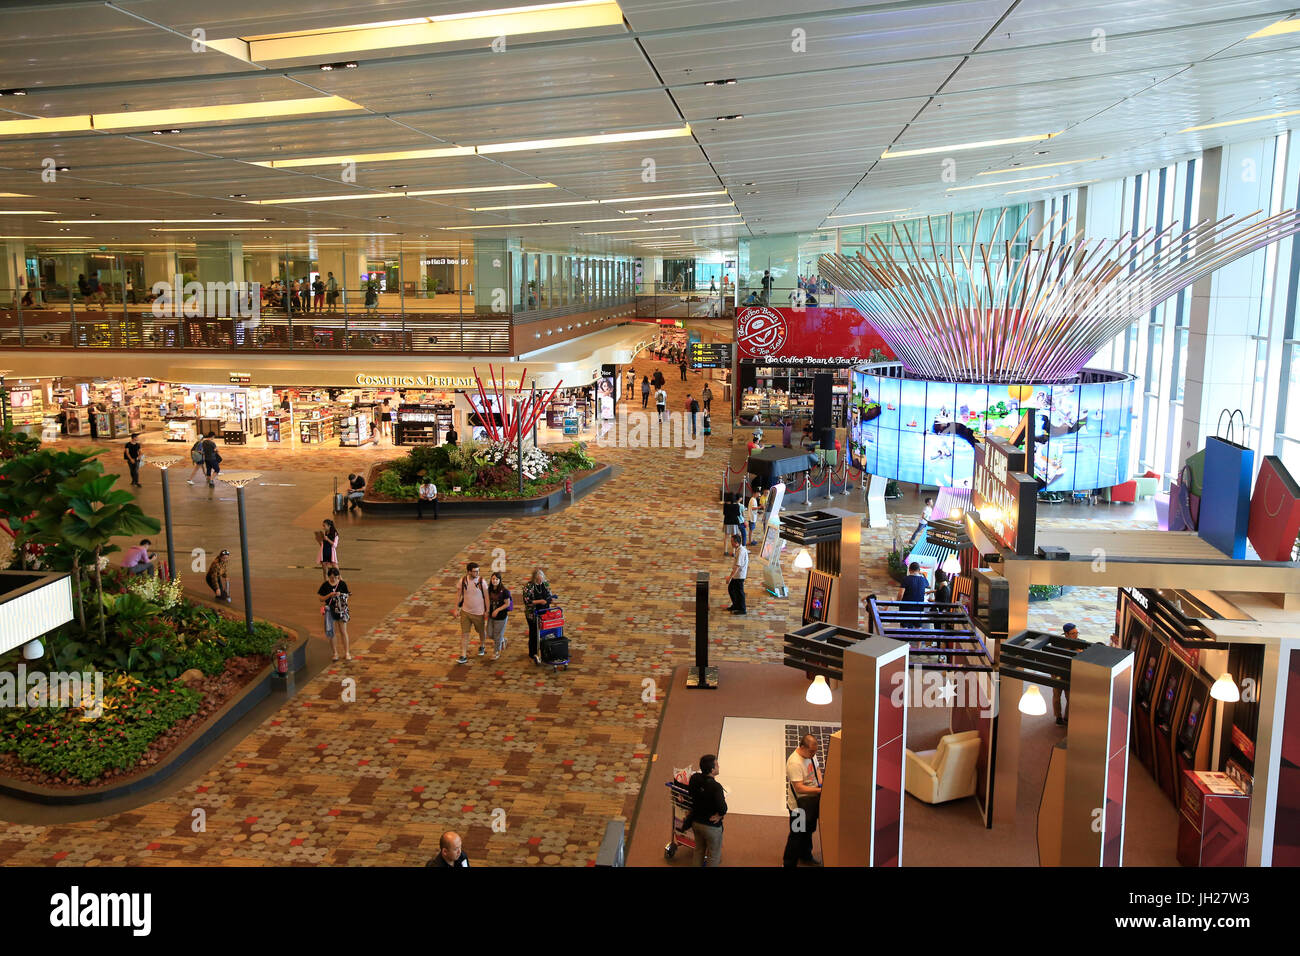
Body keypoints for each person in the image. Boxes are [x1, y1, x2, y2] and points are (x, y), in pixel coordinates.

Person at [783, 735, 822, 866]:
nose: (814, 754)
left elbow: (817, 769)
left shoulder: (811, 754)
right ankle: (788, 863)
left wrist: (821, 784)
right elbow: (799, 788)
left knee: (808, 832)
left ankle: (806, 856)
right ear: (803, 747)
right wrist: (820, 791)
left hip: (811, 803)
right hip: (798, 808)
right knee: (796, 836)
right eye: (811, 751)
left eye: (815, 752)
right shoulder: (794, 762)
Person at [687, 754, 727, 867]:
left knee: (698, 850)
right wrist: (720, 815)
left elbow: (690, 793)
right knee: (713, 856)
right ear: (712, 770)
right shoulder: (716, 787)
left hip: (695, 822)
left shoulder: (694, 778)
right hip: (711, 827)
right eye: (717, 765)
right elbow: (723, 808)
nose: (719, 766)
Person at [453, 561, 489, 665]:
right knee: (465, 634)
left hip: (479, 613)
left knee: (481, 631)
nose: (477, 573)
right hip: (465, 612)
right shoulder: (463, 581)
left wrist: (487, 610)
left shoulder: (482, 582)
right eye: (475, 571)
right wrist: (456, 609)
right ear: (469, 572)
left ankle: (482, 645)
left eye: (478, 571)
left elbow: (486, 597)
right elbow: (458, 595)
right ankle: (463, 655)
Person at [318, 567, 351, 661]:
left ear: (338, 576)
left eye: (335, 577)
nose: (333, 579)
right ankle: (335, 653)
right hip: (330, 610)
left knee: (343, 631)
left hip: (341, 609)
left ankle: (347, 652)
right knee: (331, 632)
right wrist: (329, 595)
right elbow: (321, 598)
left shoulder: (342, 584)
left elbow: (347, 595)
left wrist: (340, 594)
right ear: (328, 576)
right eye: (331, 577)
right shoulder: (325, 585)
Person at [522, 567, 553, 666]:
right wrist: (540, 601)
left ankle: (544, 650)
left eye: (541, 579)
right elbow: (527, 601)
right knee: (534, 632)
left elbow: (549, 595)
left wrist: (549, 600)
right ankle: (533, 653)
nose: (540, 581)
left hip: (544, 612)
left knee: (544, 631)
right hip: (532, 613)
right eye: (538, 580)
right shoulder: (529, 586)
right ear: (534, 578)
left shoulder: (545, 584)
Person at [486, 572, 513, 661]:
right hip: (491, 616)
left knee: (497, 635)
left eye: (497, 579)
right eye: (493, 579)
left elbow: (507, 604)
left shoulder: (504, 591)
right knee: (489, 633)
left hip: (501, 616)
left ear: (500, 580)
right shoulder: (489, 589)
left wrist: (497, 610)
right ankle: (502, 640)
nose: (494, 581)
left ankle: (496, 652)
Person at [1056, 624, 1077, 725]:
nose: (1076, 635)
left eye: (1076, 633)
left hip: (1070, 674)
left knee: (1070, 697)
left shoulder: (1079, 644)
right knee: (1056, 696)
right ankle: (1058, 716)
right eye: (1073, 633)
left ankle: (1067, 717)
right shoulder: (1058, 644)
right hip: (1058, 673)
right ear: (1066, 634)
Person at [726, 533, 748, 614]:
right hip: (737, 575)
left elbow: (737, 566)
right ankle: (736, 605)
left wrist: (730, 577)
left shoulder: (741, 552)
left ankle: (742, 609)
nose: (731, 543)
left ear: (736, 543)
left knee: (739, 592)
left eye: (732, 541)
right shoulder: (739, 549)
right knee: (732, 589)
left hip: (739, 575)